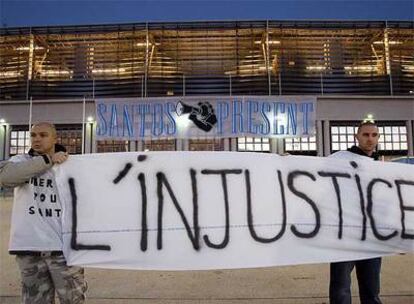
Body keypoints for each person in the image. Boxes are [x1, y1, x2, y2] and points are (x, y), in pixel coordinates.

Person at [0, 122, 87, 303]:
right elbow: (6, 178)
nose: (37, 139)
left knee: (73, 299)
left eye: (43, 135)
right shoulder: (20, 161)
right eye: (33, 135)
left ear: (55, 138)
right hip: (30, 248)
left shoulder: (72, 165)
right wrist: (47, 161)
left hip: (64, 249)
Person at [329, 121, 382, 304]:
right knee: (341, 288)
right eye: (366, 135)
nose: (370, 139)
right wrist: (287, 162)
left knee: (371, 287)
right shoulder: (339, 158)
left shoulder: (380, 165)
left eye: (374, 135)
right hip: (346, 234)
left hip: (372, 236)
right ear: (357, 137)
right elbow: (313, 169)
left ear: (378, 138)